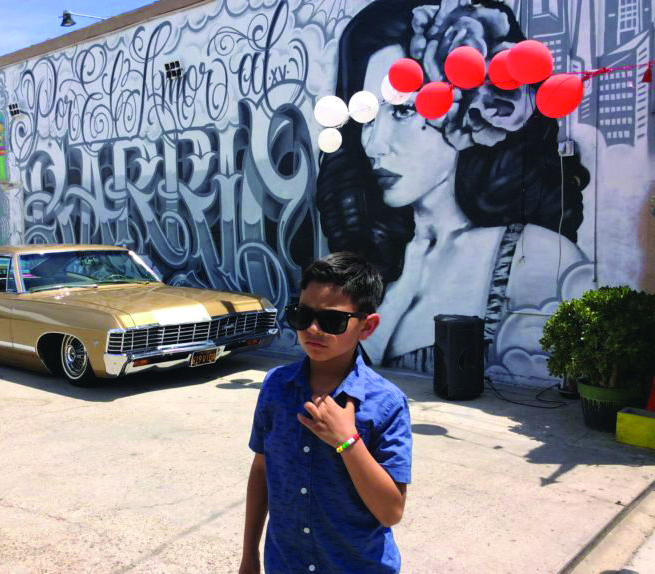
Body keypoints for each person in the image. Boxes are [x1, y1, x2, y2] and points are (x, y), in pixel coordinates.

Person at [316, 0, 590, 372]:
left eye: (403, 110)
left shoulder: (537, 259)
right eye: (368, 119)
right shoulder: (387, 255)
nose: (374, 145)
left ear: (469, 112)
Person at [240, 252, 412, 574]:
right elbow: (262, 470)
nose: (313, 329)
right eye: (303, 315)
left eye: (332, 321)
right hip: (285, 565)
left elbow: (391, 511)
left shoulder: (387, 404)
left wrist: (348, 441)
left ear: (367, 326)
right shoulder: (276, 387)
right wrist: (249, 553)